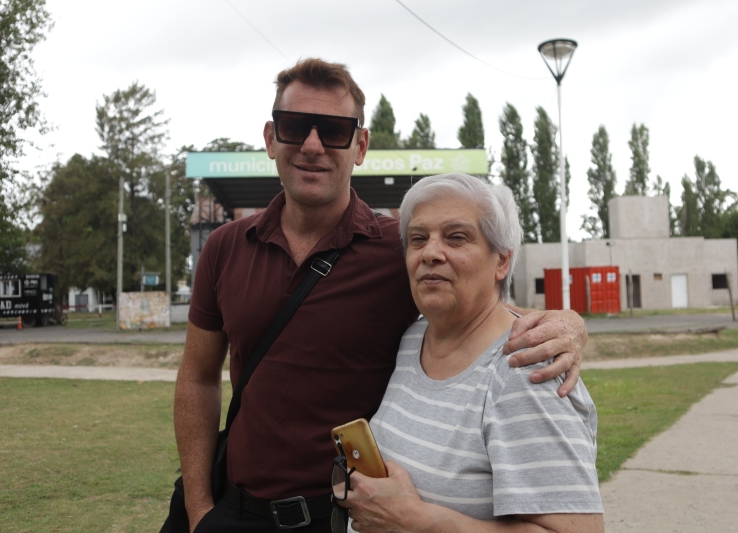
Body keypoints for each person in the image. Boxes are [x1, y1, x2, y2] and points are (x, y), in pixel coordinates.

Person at [175, 58, 589, 533]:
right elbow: (197, 377)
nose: (312, 145)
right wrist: (199, 508)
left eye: (334, 130)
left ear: (361, 145)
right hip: (234, 511)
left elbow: (483, 307)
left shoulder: (402, 250)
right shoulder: (225, 247)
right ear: (271, 138)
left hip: (346, 515)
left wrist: (570, 326)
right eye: (295, 127)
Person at [339, 173, 603, 533]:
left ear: (501, 262)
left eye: (456, 237)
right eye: (418, 239)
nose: (430, 253)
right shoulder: (413, 339)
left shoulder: (524, 370)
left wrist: (416, 521)